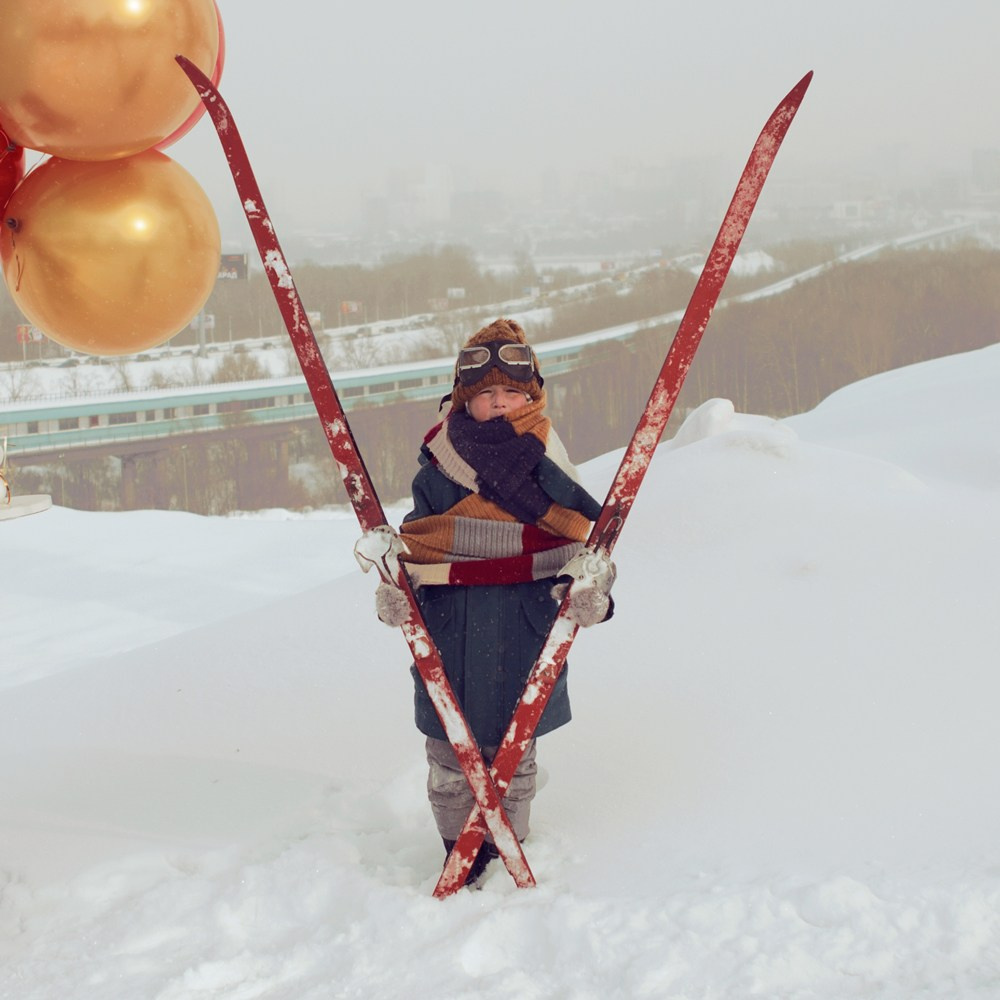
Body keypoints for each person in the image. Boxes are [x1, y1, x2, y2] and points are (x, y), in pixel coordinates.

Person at [372, 317, 615, 885]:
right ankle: (459, 846)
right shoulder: (439, 469)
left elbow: (582, 546)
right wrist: (396, 595)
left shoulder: (551, 467)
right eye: (487, 395)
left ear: (531, 396)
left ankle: (510, 843)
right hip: (450, 627)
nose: (500, 404)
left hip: (526, 630)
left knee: (516, 754)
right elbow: (419, 544)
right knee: (448, 757)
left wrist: (592, 598)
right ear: (465, 400)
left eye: (512, 392)